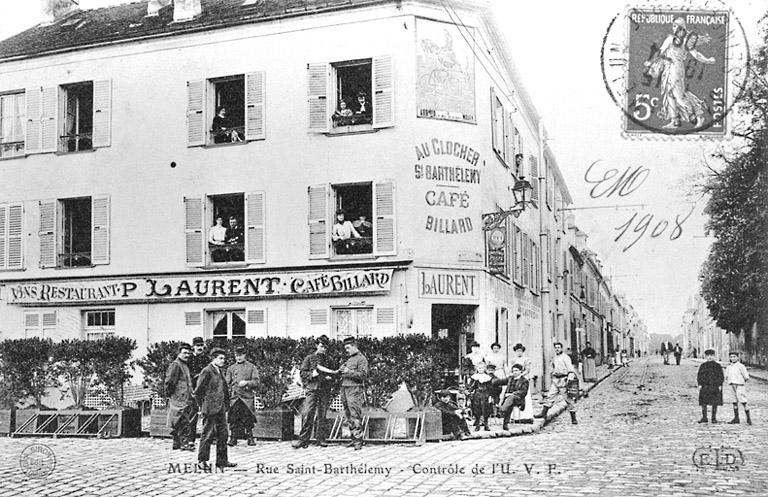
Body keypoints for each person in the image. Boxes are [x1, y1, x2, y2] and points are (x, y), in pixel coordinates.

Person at [644, 19, 716, 129]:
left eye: (675, 26)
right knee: (669, 94)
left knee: (679, 97)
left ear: (681, 28)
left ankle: (699, 114)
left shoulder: (678, 40)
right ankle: (675, 121)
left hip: (675, 68)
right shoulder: (674, 39)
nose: (674, 28)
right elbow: (661, 51)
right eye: (673, 26)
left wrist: (707, 60)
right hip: (668, 68)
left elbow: (695, 54)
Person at [293, 335, 337, 449]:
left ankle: (321, 439)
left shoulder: (330, 360)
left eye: (325, 347)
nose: (323, 349)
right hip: (312, 389)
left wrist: (330, 378)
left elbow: (334, 375)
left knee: (322, 414)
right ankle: (303, 440)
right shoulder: (309, 358)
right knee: (308, 413)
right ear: (317, 345)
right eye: (322, 346)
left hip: (324, 390)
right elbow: (303, 373)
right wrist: (312, 374)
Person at [194, 348, 236, 468]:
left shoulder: (219, 371)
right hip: (210, 408)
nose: (223, 360)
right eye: (220, 358)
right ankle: (202, 461)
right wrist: (203, 406)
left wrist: (226, 404)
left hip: (221, 408)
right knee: (207, 434)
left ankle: (222, 461)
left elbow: (223, 389)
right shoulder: (207, 371)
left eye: (224, 358)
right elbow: (198, 391)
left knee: (223, 435)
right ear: (213, 358)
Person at [535, 342, 578, 424]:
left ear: (561, 348)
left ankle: (573, 418)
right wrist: (552, 373)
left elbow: (570, 369)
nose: (557, 349)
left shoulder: (566, 357)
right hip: (556, 380)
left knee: (568, 400)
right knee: (550, 396)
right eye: (556, 347)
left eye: (559, 347)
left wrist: (569, 379)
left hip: (564, 380)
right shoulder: (554, 357)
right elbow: (552, 367)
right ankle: (543, 413)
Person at [164, 343, 195, 451]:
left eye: (188, 353)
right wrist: (169, 395)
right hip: (178, 397)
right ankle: (184, 443)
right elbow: (170, 382)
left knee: (180, 419)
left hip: (185, 397)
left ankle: (177, 442)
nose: (187, 355)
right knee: (182, 419)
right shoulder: (176, 365)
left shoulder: (184, 365)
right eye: (184, 353)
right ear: (179, 353)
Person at [225, 345, 259, 446]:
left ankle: (250, 437)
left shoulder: (251, 367)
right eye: (236, 355)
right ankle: (233, 437)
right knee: (234, 418)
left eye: (241, 355)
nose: (238, 357)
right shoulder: (231, 368)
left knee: (247, 417)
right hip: (235, 397)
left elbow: (256, 382)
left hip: (247, 397)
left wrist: (247, 383)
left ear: (245, 355)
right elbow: (226, 382)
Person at [340, 337, 368, 450]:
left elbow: (363, 375)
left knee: (355, 413)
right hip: (345, 388)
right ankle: (353, 438)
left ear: (354, 346)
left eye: (348, 348)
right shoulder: (349, 359)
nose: (346, 350)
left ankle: (358, 440)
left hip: (354, 389)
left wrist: (349, 372)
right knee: (348, 414)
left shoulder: (362, 359)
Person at [187, 337, 208, 446]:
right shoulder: (189, 360)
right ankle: (191, 438)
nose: (200, 348)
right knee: (193, 414)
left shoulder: (206, 359)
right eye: (197, 346)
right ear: (193, 347)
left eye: (201, 345)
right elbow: (187, 375)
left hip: (204, 390)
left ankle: (208, 437)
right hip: (193, 390)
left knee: (207, 413)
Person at [495, 363, 529, 430]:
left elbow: (523, 392)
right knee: (509, 404)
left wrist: (512, 394)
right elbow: (500, 381)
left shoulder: (524, 381)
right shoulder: (510, 378)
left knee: (511, 398)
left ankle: (501, 411)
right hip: (508, 400)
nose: (515, 372)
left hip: (519, 399)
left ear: (521, 371)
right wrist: (490, 380)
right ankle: (505, 424)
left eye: (516, 371)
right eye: (513, 371)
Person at [697, 349, 724, 424]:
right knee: (703, 402)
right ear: (705, 356)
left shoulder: (717, 366)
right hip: (705, 386)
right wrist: (699, 384)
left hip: (714, 386)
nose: (710, 357)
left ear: (714, 356)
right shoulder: (703, 366)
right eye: (708, 356)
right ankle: (704, 417)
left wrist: (720, 384)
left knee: (714, 402)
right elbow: (699, 375)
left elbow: (721, 376)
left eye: (711, 356)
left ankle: (713, 418)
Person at [724, 352, 752, 425]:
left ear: (737, 357)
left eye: (734, 357)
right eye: (731, 357)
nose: (733, 358)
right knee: (734, 401)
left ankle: (748, 418)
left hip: (739, 385)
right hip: (731, 385)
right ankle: (736, 418)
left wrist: (741, 382)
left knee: (743, 401)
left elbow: (746, 377)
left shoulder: (741, 366)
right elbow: (726, 376)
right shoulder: (729, 367)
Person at [510, 343, 534, 420]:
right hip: (515, 378)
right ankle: (515, 416)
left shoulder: (526, 359)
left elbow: (528, 370)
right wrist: (513, 375)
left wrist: (521, 375)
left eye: (520, 351)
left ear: (523, 351)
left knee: (524, 396)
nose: (519, 352)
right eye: (517, 351)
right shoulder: (513, 360)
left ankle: (526, 416)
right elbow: (511, 369)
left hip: (523, 378)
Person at [468, 362, 493, 431]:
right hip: (477, 394)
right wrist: (469, 392)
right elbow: (471, 387)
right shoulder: (474, 377)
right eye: (479, 368)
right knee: (477, 409)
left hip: (485, 395)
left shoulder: (488, 378)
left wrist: (490, 396)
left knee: (486, 409)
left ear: (484, 369)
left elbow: (490, 388)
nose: (481, 369)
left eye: (482, 368)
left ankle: (486, 425)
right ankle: (477, 425)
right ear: (477, 369)